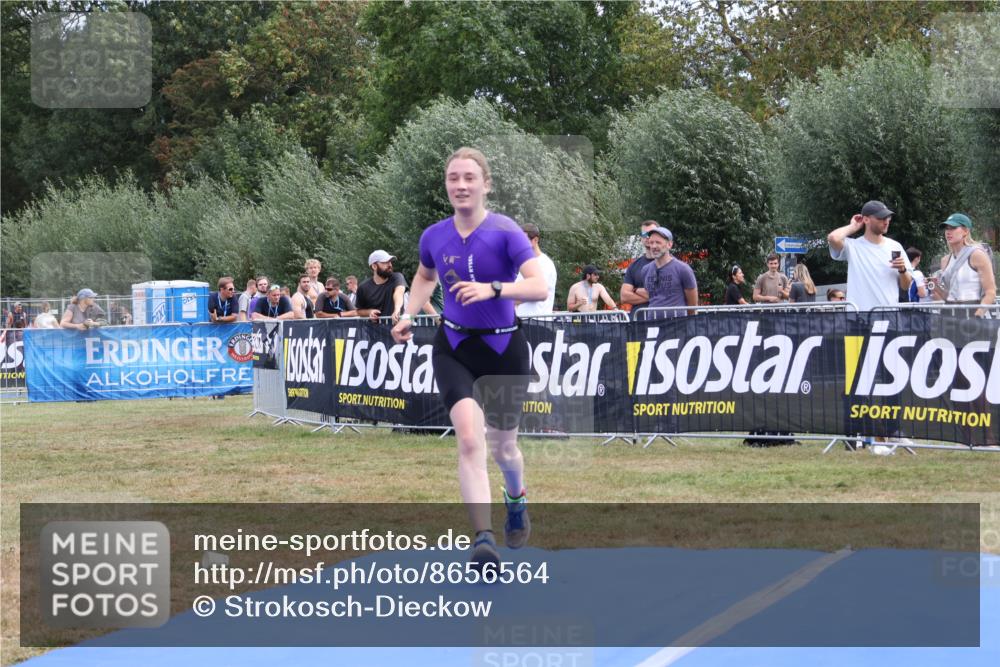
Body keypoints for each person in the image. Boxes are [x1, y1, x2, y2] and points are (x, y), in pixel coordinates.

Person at [390, 147, 547, 571]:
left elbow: (538, 287)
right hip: (454, 348)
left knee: (504, 449)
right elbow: (424, 277)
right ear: (446, 185)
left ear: (485, 184)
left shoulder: (506, 231)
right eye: (453, 178)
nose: (461, 185)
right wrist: (407, 315)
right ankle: (483, 540)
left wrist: (494, 289)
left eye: (469, 178)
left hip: (503, 350)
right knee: (470, 439)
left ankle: (516, 499)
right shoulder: (434, 236)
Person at [827, 200, 912, 312]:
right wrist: (853, 227)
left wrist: (902, 270)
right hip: (859, 317)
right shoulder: (853, 246)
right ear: (866, 219)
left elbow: (906, 286)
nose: (886, 221)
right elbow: (833, 237)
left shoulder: (895, 246)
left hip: (890, 315)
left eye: (888, 218)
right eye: (881, 218)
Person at [933, 213, 996, 318]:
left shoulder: (977, 254)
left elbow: (991, 291)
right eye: (946, 228)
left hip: (972, 311)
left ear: (965, 231)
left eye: (953, 228)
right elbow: (949, 296)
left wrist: (978, 315)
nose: (948, 232)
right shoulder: (945, 260)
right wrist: (934, 287)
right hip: (949, 313)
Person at [636, 226, 698, 317]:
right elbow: (652, 296)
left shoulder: (683, 269)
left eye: (658, 242)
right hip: (652, 326)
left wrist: (687, 322)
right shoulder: (645, 270)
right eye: (651, 242)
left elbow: (692, 304)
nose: (653, 246)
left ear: (669, 244)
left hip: (677, 326)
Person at [515, 223, 557, 317]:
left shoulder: (545, 263)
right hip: (524, 319)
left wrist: (508, 301)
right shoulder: (525, 263)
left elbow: (537, 292)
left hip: (538, 321)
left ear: (535, 240)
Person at [355, 250, 408, 323]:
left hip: (397, 330)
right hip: (374, 332)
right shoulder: (363, 287)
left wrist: (397, 309)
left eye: (390, 262)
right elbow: (359, 311)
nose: (390, 265)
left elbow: (399, 293)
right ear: (374, 266)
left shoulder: (397, 277)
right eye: (385, 262)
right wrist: (369, 312)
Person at [620, 220, 659, 316]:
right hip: (639, 323)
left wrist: (635, 290)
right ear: (641, 238)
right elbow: (624, 296)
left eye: (650, 233)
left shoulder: (668, 263)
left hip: (663, 320)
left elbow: (667, 294)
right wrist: (654, 297)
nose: (647, 237)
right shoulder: (634, 266)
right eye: (644, 234)